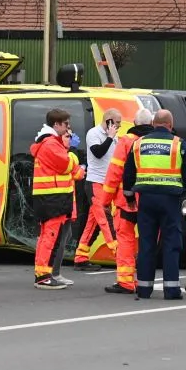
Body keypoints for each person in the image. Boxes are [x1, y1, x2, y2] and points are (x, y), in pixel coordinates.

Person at [123, 109, 186, 300]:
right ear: (170, 125)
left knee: (146, 244)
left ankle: (144, 289)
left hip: (146, 200)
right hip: (170, 201)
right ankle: (171, 290)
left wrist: (130, 198)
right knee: (171, 243)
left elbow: (128, 173)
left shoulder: (138, 144)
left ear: (153, 124)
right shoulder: (178, 144)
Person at [97, 108, 155, 294]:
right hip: (150, 200)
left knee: (125, 240)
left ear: (135, 123)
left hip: (126, 201)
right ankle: (145, 281)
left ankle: (125, 281)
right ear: (151, 124)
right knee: (147, 240)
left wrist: (105, 200)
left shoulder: (126, 141)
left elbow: (114, 173)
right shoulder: (157, 142)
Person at [31, 108, 86, 289]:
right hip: (52, 198)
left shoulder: (50, 143)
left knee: (48, 238)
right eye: (66, 124)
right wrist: (72, 153)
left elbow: (68, 169)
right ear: (56, 124)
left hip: (51, 198)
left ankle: (43, 274)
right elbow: (67, 165)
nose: (68, 128)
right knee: (50, 238)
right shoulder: (51, 144)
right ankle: (43, 276)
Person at [73, 109, 122, 269]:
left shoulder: (114, 137)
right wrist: (110, 137)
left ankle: (80, 256)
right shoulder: (93, 133)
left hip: (107, 185)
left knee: (93, 223)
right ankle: (121, 255)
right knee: (106, 220)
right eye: (117, 123)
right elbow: (98, 153)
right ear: (109, 121)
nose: (119, 126)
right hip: (95, 183)